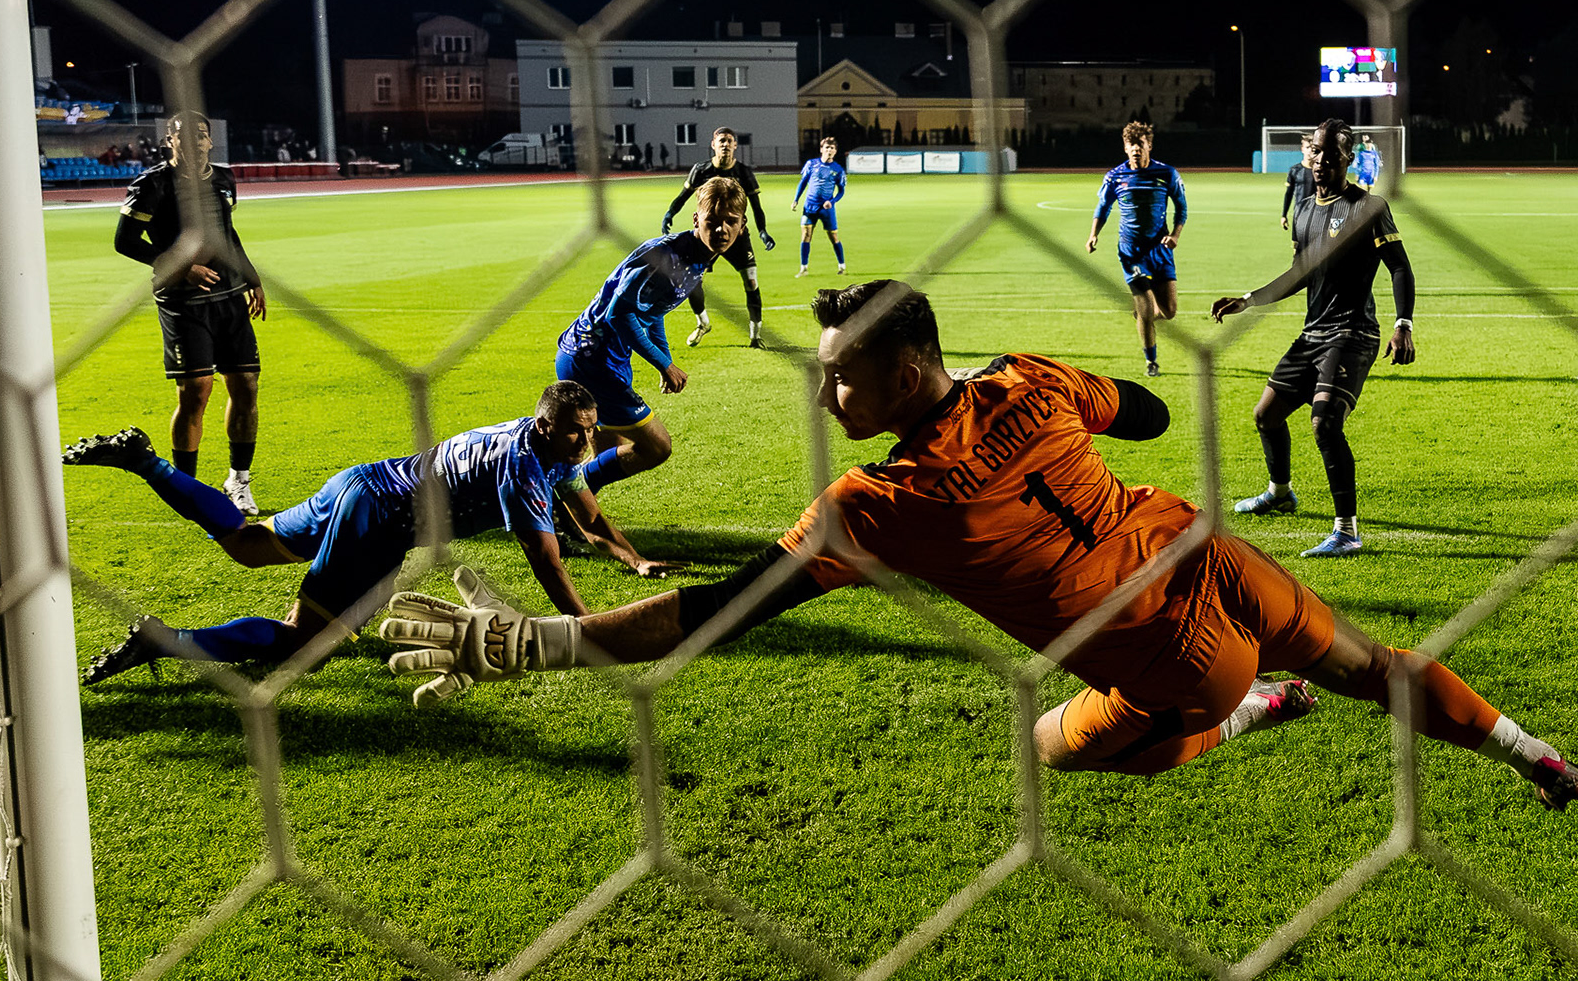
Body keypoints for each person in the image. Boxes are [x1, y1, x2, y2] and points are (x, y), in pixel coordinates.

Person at [380, 279, 1577, 811]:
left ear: (905, 373)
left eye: (839, 378)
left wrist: (538, 643)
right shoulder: (1027, 379)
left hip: (1173, 657)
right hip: (1205, 550)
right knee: (1371, 664)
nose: (824, 398)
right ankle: (1536, 753)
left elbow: (715, 612)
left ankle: (1247, 712)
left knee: (1054, 743)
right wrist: (1043, 398)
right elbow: (1148, 413)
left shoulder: (875, 501)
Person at [63, 382, 678, 684]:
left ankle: (146, 461)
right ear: (545, 428)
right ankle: (163, 640)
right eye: (577, 431)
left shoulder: (540, 442)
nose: (588, 441)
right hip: (379, 520)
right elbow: (546, 560)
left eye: (592, 429)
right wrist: (586, 630)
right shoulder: (522, 468)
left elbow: (585, 513)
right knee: (304, 644)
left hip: (362, 482)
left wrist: (632, 558)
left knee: (247, 546)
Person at [1214, 117, 1414, 559]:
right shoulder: (1303, 210)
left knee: (1325, 422)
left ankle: (1347, 531)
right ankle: (1280, 493)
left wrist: (1403, 324)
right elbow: (1299, 275)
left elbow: (1400, 266)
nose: (1320, 159)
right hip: (1313, 332)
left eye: (1330, 153)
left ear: (1347, 159)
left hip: (1353, 332)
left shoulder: (1368, 207)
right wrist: (1248, 299)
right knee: (1266, 415)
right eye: (1316, 151)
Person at [114, 109, 268, 514]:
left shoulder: (223, 179)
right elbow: (125, 241)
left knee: (246, 385)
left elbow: (228, 235)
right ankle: (187, 488)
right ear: (170, 142)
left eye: (201, 135)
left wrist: (252, 278)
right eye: (183, 135)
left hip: (229, 297)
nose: (194, 142)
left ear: (209, 141)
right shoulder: (152, 185)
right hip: (183, 302)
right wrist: (182, 267)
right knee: (196, 391)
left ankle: (239, 481)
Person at [555, 177, 746, 495]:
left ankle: (570, 509)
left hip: (602, 356)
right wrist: (664, 365)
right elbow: (618, 314)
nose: (721, 230)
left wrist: (665, 357)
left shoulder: (696, 258)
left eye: (730, 221)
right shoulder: (666, 257)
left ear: (742, 225)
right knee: (657, 446)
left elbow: (655, 311)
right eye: (712, 221)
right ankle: (562, 489)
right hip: (592, 358)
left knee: (607, 454)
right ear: (696, 219)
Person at [1086, 121, 1186, 378]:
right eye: (1131, 145)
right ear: (1125, 147)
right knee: (1146, 308)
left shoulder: (1167, 173)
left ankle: (1144, 315)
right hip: (1131, 253)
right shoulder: (1115, 176)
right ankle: (1151, 361)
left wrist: (1175, 235)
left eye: (1140, 144)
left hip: (1160, 250)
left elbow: (1181, 208)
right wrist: (1093, 234)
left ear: (1149, 145)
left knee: (1169, 312)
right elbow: (1103, 207)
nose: (1135, 149)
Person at [661, 127, 777, 348]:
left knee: (751, 281)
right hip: (707, 237)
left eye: (729, 141)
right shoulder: (701, 170)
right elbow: (683, 196)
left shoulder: (744, 172)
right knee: (692, 281)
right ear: (713, 144)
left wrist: (762, 231)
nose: (725, 144)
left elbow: (756, 206)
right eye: (721, 140)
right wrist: (670, 214)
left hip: (737, 235)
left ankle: (755, 336)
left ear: (735, 146)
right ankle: (703, 323)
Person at [792, 136, 847, 277]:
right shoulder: (811, 164)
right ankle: (803, 268)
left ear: (835, 151)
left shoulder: (838, 170)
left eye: (832, 148)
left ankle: (842, 266)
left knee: (833, 236)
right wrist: (796, 199)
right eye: (827, 147)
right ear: (821, 149)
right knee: (806, 235)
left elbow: (841, 191)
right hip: (809, 206)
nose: (829, 150)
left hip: (826, 209)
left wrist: (832, 201)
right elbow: (803, 182)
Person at [1281, 132, 1315, 231]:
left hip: (1317, 215)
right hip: (1299, 214)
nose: (1310, 151)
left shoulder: (1321, 171)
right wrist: (1284, 215)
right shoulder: (1295, 170)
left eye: (1313, 148)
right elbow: (1289, 194)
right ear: (1302, 149)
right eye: (1307, 147)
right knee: (1298, 241)